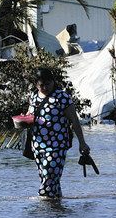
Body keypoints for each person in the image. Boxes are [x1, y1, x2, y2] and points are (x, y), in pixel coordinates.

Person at [27, 67, 90, 199]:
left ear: (53, 82)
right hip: (38, 146)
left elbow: (74, 121)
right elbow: (29, 115)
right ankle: (57, 213)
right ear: (36, 84)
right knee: (50, 180)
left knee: (48, 178)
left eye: (47, 84)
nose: (44, 88)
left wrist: (82, 143)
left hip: (57, 145)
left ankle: (43, 211)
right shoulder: (33, 96)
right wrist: (24, 120)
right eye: (41, 85)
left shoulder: (62, 97)